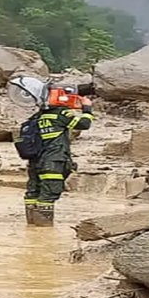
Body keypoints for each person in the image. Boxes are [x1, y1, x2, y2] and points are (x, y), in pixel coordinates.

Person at [24, 87, 94, 226]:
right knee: (49, 193)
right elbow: (84, 124)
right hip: (53, 161)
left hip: (35, 162)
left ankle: (31, 225)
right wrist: (87, 108)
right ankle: (43, 231)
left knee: (33, 192)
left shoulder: (37, 117)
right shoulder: (61, 114)